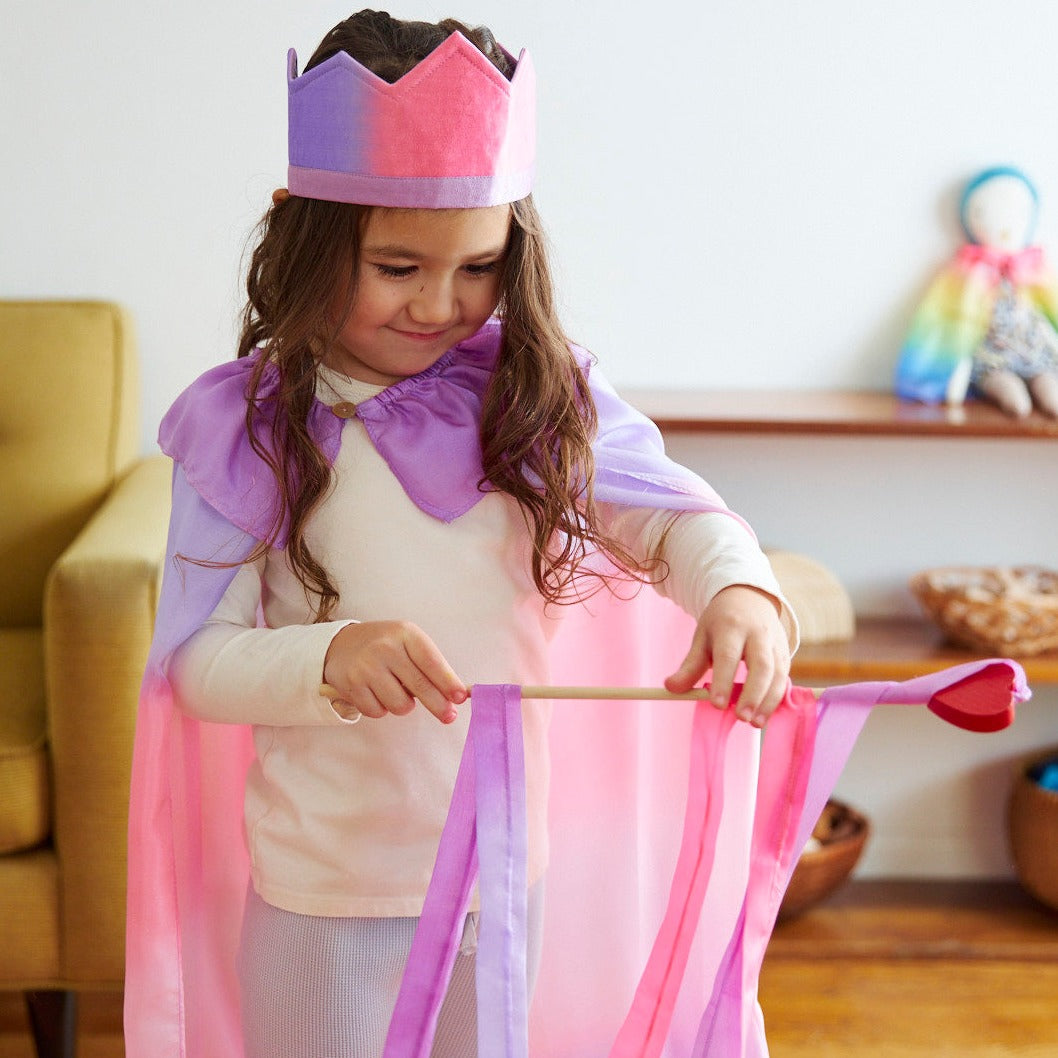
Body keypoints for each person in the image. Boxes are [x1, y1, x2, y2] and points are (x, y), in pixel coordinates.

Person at [124, 10, 797, 1058]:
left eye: (476, 266)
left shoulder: (532, 394)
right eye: (396, 267)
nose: (438, 304)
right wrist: (329, 656)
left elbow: (668, 513)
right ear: (299, 235)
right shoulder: (242, 425)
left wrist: (735, 590)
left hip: (501, 874)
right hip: (323, 883)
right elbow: (198, 663)